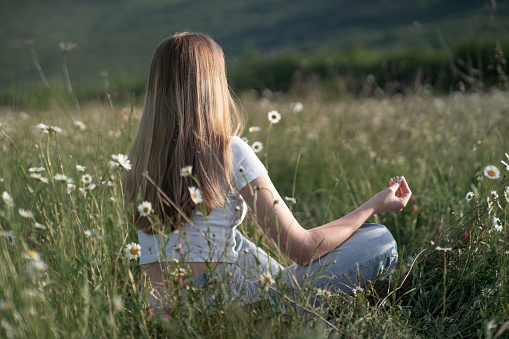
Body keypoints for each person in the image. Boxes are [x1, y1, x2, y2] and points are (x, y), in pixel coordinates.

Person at [122, 32, 412, 315]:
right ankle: (288, 309)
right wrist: (374, 204)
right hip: (227, 313)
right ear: (212, 87)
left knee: (233, 242)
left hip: (166, 315)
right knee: (379, 240)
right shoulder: (228, 151)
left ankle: (287, 300)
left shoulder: (137, 162)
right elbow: (302, 250)